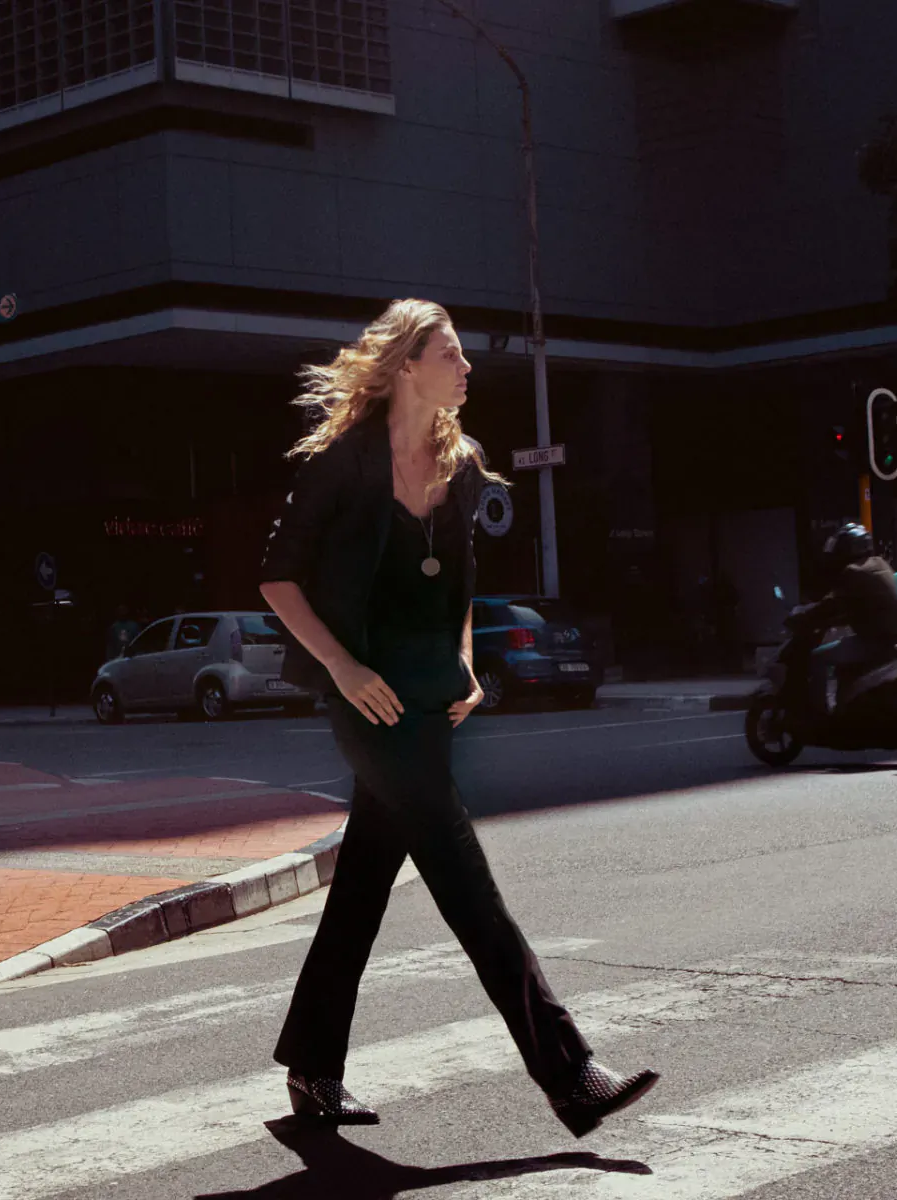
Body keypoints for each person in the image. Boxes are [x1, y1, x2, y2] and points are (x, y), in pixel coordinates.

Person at [258, 299, 658, 1137]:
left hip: (429, 696)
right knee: (466, 881)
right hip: (366, 699)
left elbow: (458, 584)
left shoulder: (461, 463)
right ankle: (569, 1071)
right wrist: (343, 665)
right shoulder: (343, 462)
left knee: (362, 887)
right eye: (452, 354)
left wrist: (467, 660)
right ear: (408, 366)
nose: (469, 369)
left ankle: (311, 1066)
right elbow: (277, 578)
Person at [783, 523, 897, 717]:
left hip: (874, 641)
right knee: (844, 664)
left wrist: (804, 616)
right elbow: (859, 605)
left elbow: (830, 604)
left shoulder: (853, 572)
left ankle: (818, 714)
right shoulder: (878, 564)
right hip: (891, 636)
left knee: (817, 658)